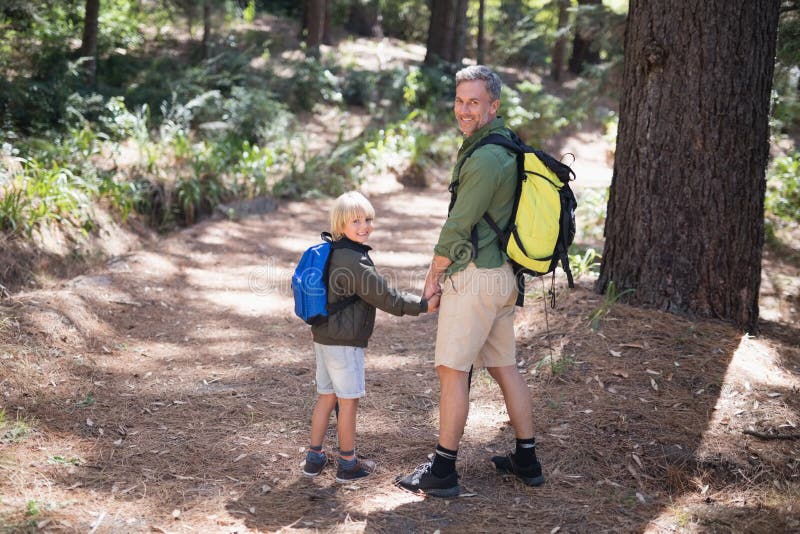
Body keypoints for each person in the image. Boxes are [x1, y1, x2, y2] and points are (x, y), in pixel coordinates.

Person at [396, 65, 544, 497]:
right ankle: (527, 458)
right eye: (460, 101)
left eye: (474, 102)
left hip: (476, 278)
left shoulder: (484, 157)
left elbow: (458, 226)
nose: (464, 110)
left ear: (493, 105)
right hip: (502, 279)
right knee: (503, 367)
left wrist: (433, 276)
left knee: (451, 371)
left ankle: (442, 470)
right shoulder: (506, 145)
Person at [302, 191, 439, 483]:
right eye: (356, 220)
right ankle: (348, 464)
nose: (364, 225)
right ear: (340, 225)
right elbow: (386, 297)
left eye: (368, 219)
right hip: (344, 343)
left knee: (326, 397)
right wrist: (423, 305)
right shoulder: (355, 261)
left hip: (323, 338)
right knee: (348, 400)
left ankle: (314, 457)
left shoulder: (334, 251)